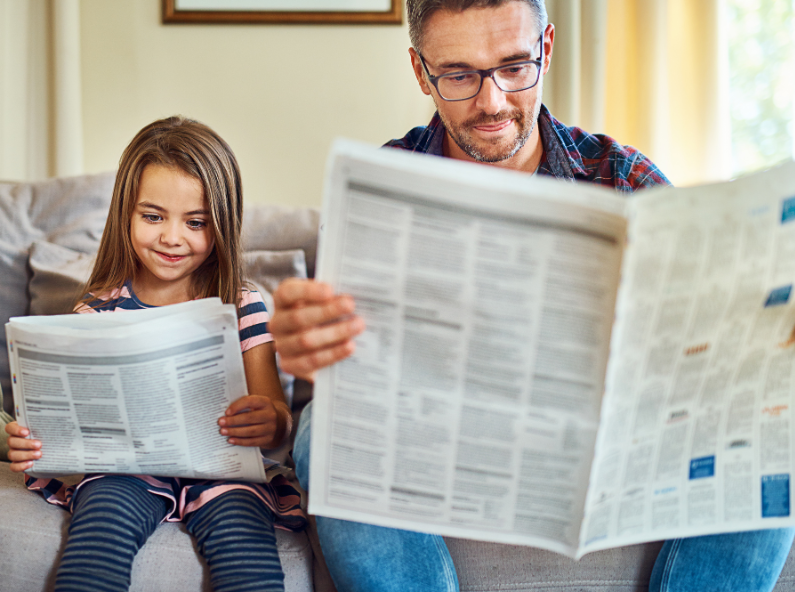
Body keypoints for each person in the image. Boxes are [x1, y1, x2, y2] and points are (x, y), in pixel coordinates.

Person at [268, 1, 795, 591]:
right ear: (421, 71)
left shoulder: (619, 176)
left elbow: (712, 328)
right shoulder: (383, 183)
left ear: (546, 48)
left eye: (515, 67)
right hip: (446, 438)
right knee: (322, 434)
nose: (491, 102)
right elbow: (340, 368)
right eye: (460, 75)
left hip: (600, 439)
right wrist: (304, 350)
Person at [4, 116, 305, 592]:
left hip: (223, 469)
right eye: (152, 216)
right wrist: (32, 443)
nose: (171, 237)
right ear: (125, 213)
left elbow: (279, 421)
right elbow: (68, 426)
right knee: (96, 536)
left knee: (246, 554)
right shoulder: (96, 311)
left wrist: (270, 422)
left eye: (196, 222)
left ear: (222, 225)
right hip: (126, 470)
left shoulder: (242, 303)